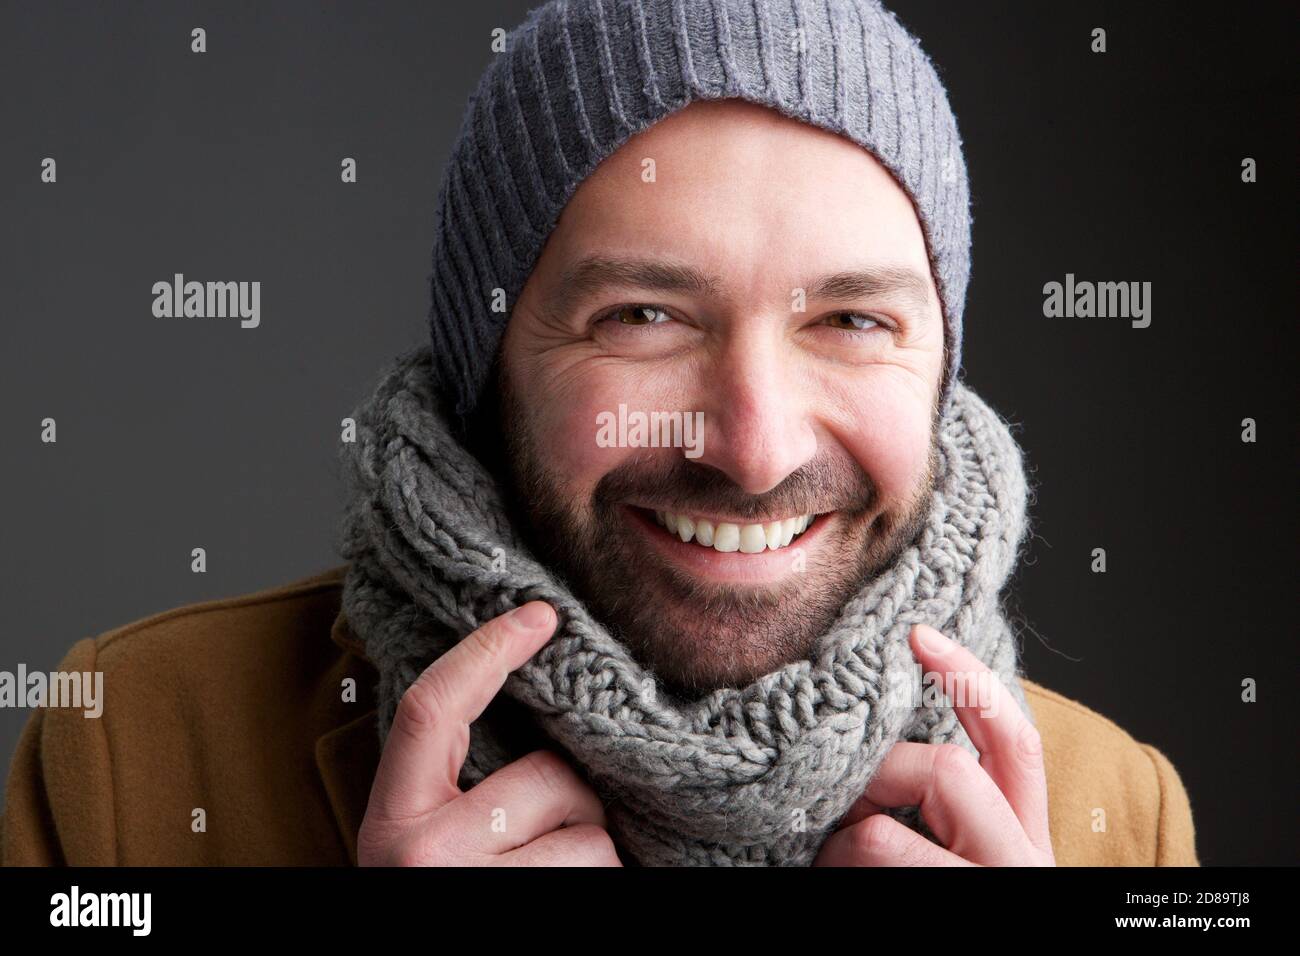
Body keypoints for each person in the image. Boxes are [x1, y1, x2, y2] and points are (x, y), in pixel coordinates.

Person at [2, 0, 1196, 867]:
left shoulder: (1121, 819)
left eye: (851, 318)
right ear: (487, 369)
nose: (756, 446)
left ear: (940, 368)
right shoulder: (133, 750)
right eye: (644, 316)